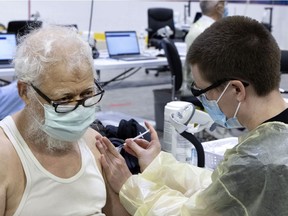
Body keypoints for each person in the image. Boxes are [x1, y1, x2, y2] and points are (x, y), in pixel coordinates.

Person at [96, 16, 288, 215]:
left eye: (203, 92)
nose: (204, 100)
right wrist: (159, 166)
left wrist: (129, 186)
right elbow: (220, 189)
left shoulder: (257, 162)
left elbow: (191, 213)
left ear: (237, 89)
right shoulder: (269, 142)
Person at [0, 25, 129, 215]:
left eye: (86, 94)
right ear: (25, 92)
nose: (78, 110)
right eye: (63, 99)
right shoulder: (6, 155)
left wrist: (128, 185)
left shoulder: (94, 142)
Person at [182, 0, 227, 96]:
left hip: (194, 82)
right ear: (219, 7)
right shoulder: (211, 32)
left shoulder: (197, 26)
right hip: (205, 88)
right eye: (224, 4)